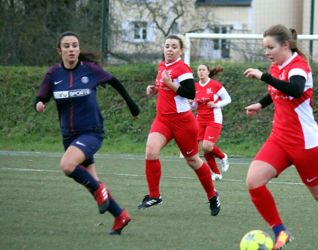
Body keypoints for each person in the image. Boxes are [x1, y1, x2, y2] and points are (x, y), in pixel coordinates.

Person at [243, 24, 318, 250]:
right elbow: (276, 91)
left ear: (286, 45)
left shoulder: (298, 66)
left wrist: (263, 76)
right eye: (265, 48)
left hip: (305, 143)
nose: (267, 52)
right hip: (279, 138)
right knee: (254, 182)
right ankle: (280, 232)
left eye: (271, 47)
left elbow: (295, 89)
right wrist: (259, 104)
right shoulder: (276, 66)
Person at [34, 31, 139, 235]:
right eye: (67, 46)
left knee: (67, 165)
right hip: (69, 136)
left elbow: (115, 82)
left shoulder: (90, 70)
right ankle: (120, 216)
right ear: (60, 50)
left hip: (91, 132)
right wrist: (39, 103)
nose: (71, 49)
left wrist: (132, 106)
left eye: (75, 45)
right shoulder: (53, 74)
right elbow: (42, 95)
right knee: (92, 183)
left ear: (79, 48)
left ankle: (101, 190)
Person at [138, 35, 221, 216]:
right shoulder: (162, 66)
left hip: (183, 122)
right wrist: (155, 88)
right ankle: (154, 195)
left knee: (192, 160)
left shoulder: (183, 68)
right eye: (167, 46)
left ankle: (212, 195)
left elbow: (190, 93)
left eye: (174, 47)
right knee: (151, 151)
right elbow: (165, 88)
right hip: (162, 120)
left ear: (181, 51)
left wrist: (169, 84)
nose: (169, 49)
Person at [192, 64, 231, 181]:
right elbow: (194, 106)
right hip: (200, 119)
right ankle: (216, 173)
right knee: (205, 149)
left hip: (214, 119)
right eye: (199, 70)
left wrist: (216, 104)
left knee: (207, 146)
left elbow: (228, 99)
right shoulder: (195, 86)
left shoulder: (215, 85)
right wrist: (191, 103)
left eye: (203, 70)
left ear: (208, 72)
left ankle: (223, 156)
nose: (201, 72)